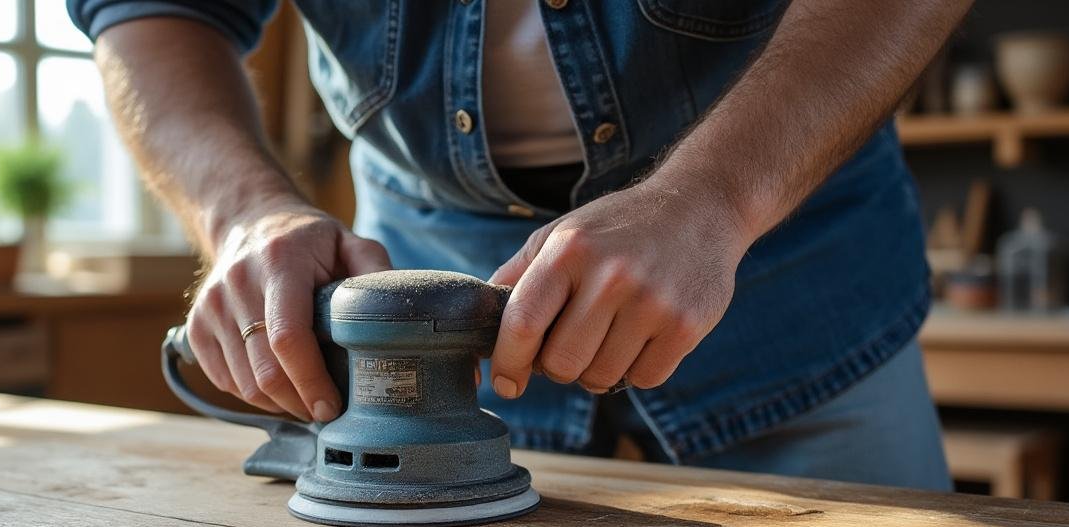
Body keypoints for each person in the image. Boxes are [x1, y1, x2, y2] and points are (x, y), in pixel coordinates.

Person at [69, 0, 966, 490]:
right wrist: (244, 216)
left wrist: (715, 198)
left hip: (792, 275)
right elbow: (154, 11)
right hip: (436, 283)